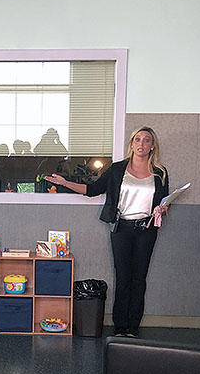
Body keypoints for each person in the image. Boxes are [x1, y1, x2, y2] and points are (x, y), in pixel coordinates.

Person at [45, 126, 169, 337]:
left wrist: (163, 208)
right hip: (121, 229)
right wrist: (65, 183)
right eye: (137, 139)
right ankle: (121, 327)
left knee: (139, 279)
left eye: (146, 140)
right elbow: (92, 190)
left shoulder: (160, 173)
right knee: (123, 277)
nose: (141, 144)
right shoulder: (117, 169)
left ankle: (133, 327)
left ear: (152, 146)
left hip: (146, 230)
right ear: (131, 144)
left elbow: (163, 202)